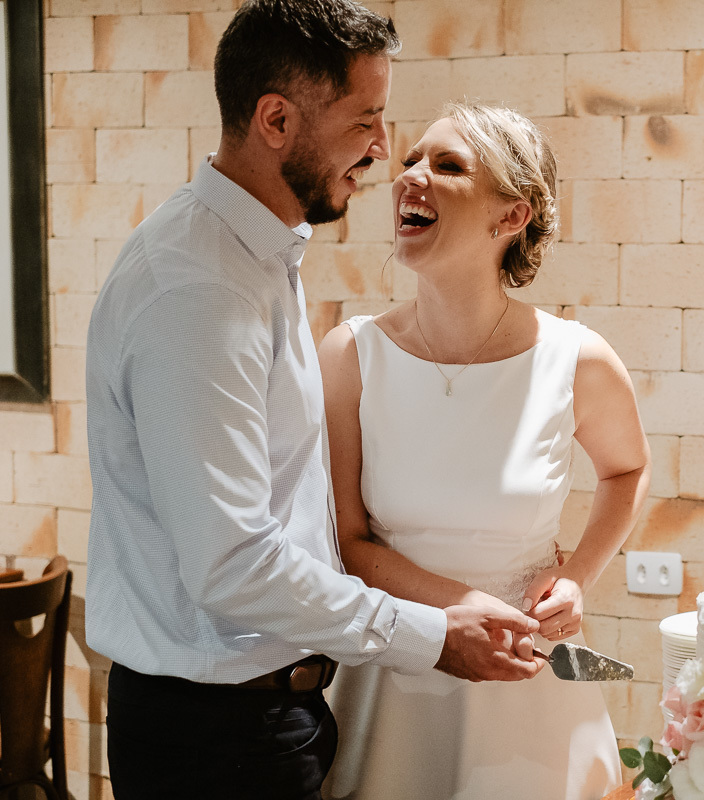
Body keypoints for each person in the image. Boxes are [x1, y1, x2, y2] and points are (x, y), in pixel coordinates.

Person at [85, 5, 542, 800]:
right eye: (365, 119)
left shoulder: (256, 255)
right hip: (212, 739)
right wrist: (431, 636)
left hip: (270, 716)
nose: (382, 149)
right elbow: (232, 565)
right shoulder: (198, 287)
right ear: (275, 119)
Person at [318, 102, 652, 800]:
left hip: (529, 689)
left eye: (447, 166)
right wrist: (458, 612)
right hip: (394, 679)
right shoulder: (353, 355)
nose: (411, 177)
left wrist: (579, 576)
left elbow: (626, 469)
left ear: (511, 217)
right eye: (410, 160)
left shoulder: (577, 359)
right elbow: (347, 540)